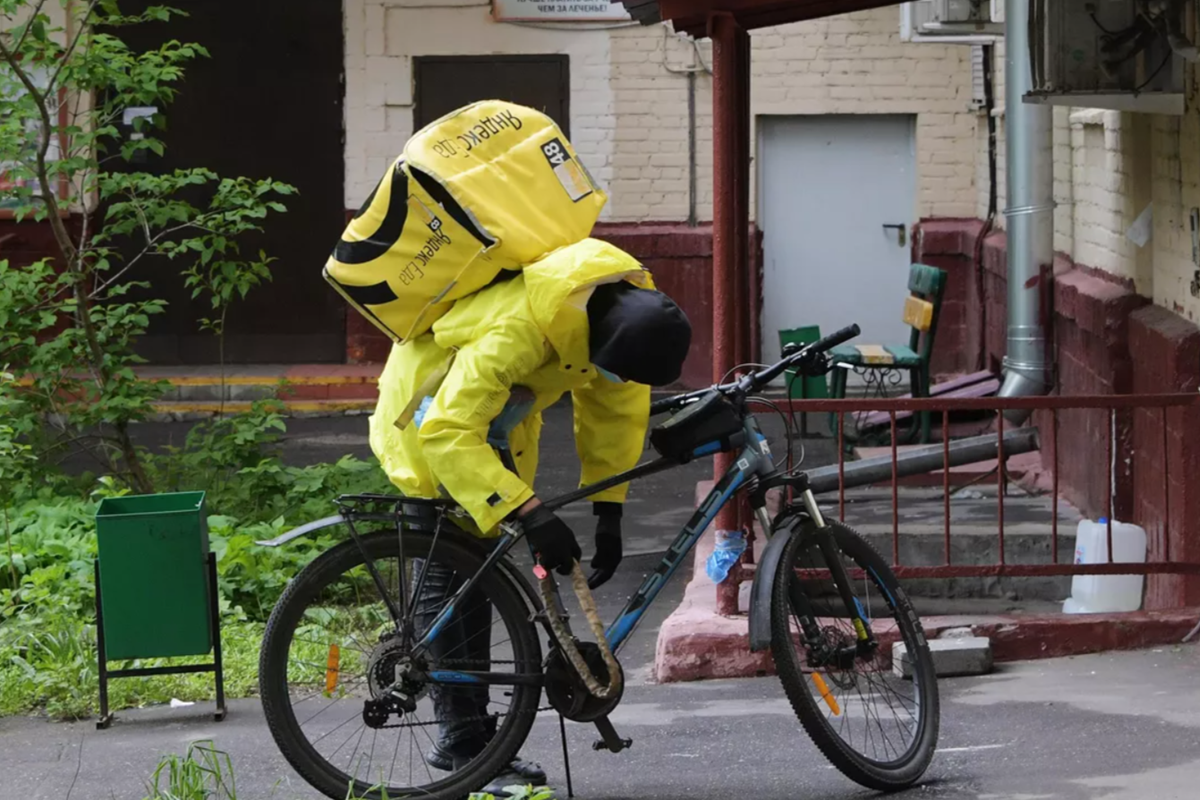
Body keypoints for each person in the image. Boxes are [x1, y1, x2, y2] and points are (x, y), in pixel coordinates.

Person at [368, 237, 692, 793]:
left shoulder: (613, 311)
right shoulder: (520, 330)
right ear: (604, 340)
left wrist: (609, 510)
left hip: (491, 423)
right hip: (426, 417)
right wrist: (531, 511)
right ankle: (461, 745)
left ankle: (474, 740)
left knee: (478, 579)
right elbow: (446, 430)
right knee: (450, 578)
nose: (616, 377)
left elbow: (614, 407)